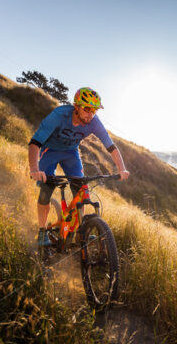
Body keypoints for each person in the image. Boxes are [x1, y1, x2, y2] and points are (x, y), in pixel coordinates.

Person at [28, 87, 129, 249]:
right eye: (86, 109)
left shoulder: (94, 122)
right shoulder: (59, 116)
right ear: (76, 106)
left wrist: (122, 169)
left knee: (81, 190)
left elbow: (110, 146)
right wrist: (34, 169)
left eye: (94, 110)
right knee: (46, 189)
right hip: (50, 151)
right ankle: (41, 231)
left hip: (71, 153)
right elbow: (35, 143)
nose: (90, 114)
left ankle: (81, 231)